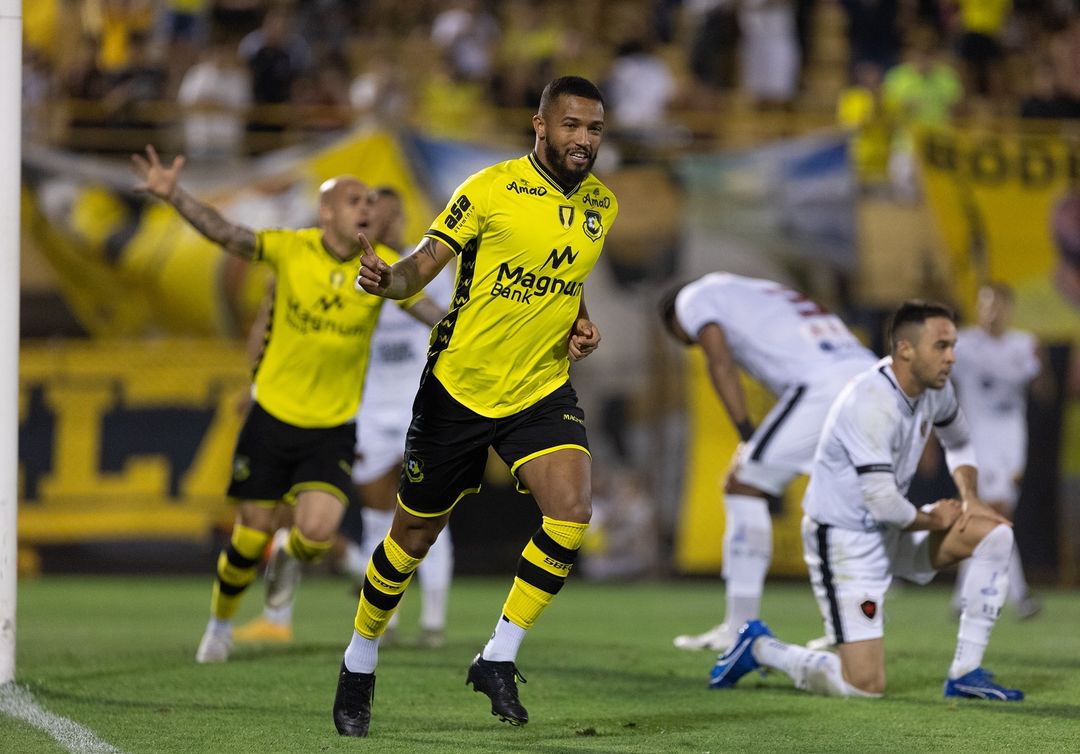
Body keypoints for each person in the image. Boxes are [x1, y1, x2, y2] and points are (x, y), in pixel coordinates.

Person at [332, 75, 616, 738]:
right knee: (410, 540)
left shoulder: (602, 205)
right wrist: (387, 279)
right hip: (459, 390)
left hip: (541, 389)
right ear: (540, 125)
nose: (583, 140)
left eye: (594, 129)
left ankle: (497, 657)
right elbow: (423, 265)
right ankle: (359, 661)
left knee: (571, 513)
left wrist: (582, 321)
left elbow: (563, 277)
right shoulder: (488, 188)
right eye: (571, 126)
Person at [130, 145, 442, 664]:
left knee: (317, 535)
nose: (364, 208)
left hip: (334, 424)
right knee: (249, 538)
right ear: (325, 212)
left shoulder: (381, 269)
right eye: (351, 200)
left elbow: (432, 313)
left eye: (368, 200)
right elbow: (226, 233)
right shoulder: (290, 250)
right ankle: (220, 624)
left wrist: (480, 332)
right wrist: (175, 196)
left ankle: (289, 563)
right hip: (273, 417)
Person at [709, 301, 1024, 701]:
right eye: (941, 346)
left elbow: (958, 439)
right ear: (905, 349)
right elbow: (882, 504)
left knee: (994, 533)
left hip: (893, 528)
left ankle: (965, 672)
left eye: (953, 346)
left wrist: (970, 498)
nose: (951, 357)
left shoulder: (934, 390)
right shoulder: (871, 401)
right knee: (864, 686)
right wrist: (934, 518)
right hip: (846, 541)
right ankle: (758, 648)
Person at [229, 187, 450, 646]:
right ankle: (332, 610)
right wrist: (257, 385)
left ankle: (430, 621)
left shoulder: (423, 269)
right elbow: (270, 320)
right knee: (335, 516)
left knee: (425, 511)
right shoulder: (331, 268)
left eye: (387, 213)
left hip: (406, 407)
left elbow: (447, 322)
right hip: (356, 408)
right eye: (371, 212)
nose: (379, 220)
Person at [659, 273, 878, 653]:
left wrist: (747, 434)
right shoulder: (752, 288)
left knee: (743, 484)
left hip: (824, 383)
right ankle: (851, 631)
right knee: (841, 511)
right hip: (873, 378)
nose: (691, 343)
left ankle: (738, 627)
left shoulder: (693, 297)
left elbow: (719, 362)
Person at [951, 283, 1047, 619]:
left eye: (998, 305)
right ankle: (1022, 598)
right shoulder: (962, 344)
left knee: (984, 519)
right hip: (978, 443)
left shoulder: (1022, 344)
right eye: (985, 304)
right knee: (996, 516)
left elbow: (1044, 392)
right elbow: (938, 383)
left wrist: (1042, 364)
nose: (991, 312)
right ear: (977, 308)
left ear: (1009, 309)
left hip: (1012, 445)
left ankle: (961, 597)